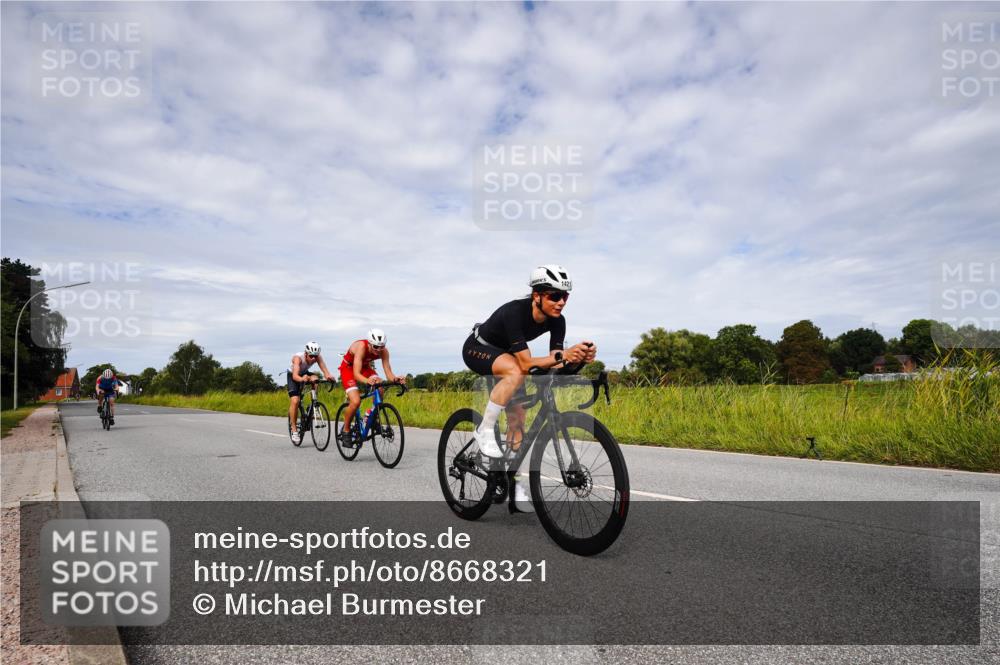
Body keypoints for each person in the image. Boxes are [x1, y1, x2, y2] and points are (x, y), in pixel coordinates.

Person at [462, 265, 597, 511]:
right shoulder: (515, 312)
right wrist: (564, 355)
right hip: (478, 347)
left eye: (565, 296)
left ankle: (512, 484)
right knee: (516, 370)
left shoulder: (558, 321)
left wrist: (575, 360)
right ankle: (485, 430)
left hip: (509, 355)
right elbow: (525, 363)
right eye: (554, 296)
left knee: (518, 420)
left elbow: (554, 359)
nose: (561, 302)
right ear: (537, 296)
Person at [338, 328, 405, 446]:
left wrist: (395, 379)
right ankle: (346, 430)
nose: (379, 350)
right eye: (375, 347)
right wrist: (367, 381)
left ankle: (372, 416)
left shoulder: (384, 351)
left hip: (365, 368)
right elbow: (356, 374)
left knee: (379, 386)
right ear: (369, 344)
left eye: (382, 346)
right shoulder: (361, 347)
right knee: (356, 401)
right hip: (348, 369)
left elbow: (388, 372)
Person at [288, 342, 335, 445]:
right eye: (311, 356)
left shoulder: (317, 357)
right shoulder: (298, 358)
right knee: (295, 401)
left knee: (315, 379)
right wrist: (302, 379)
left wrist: (328, 376)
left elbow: (324, 369)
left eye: (315, 356)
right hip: (293, 375)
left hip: (304, 373)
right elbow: (295, 376)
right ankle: (294, 429)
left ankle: (314, 403)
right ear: (306, 353)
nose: (313, 358)